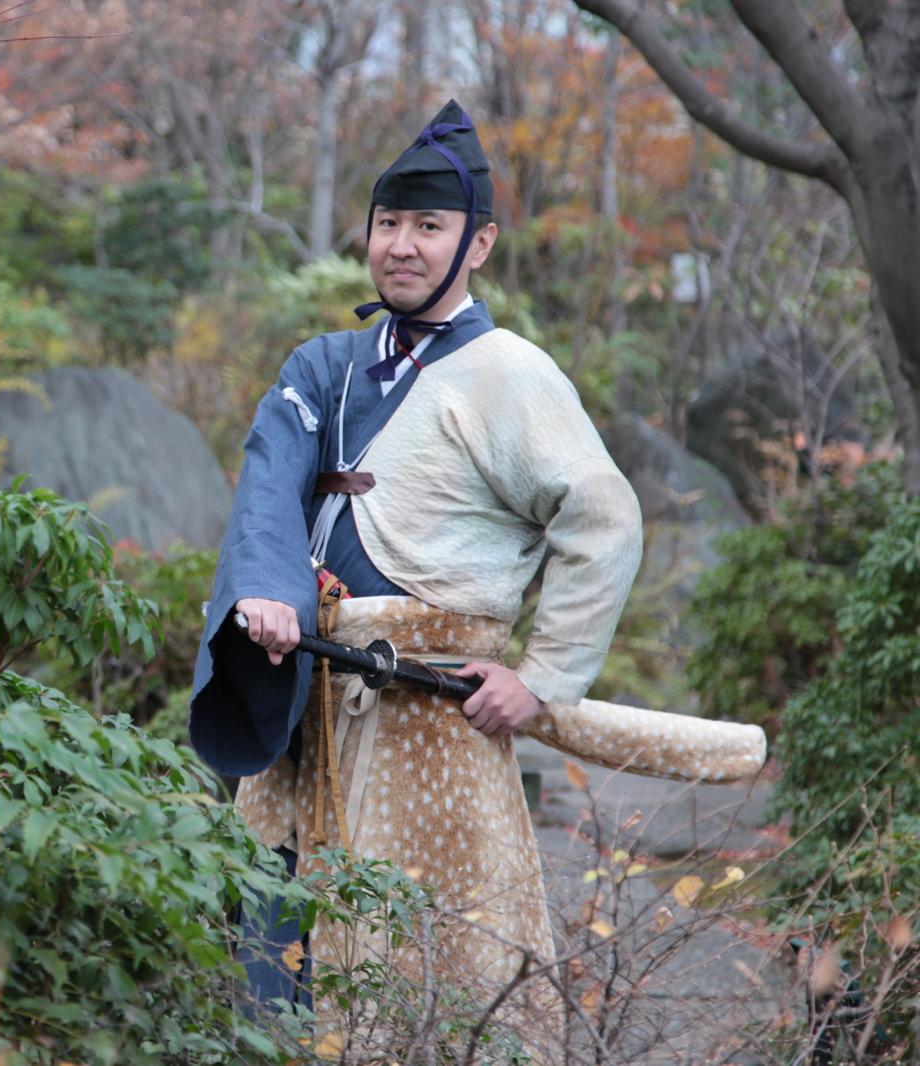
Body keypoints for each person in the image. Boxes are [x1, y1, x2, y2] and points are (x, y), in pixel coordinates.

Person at [189, 100, 644, 1052]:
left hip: (429, 721)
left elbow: (604, 519)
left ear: (478, 243)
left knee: (435, 961)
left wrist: (545, 678)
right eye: (388, 224)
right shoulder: (324, 366)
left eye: (427, 227)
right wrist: (264, 590)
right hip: (304, 693)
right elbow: (269, 484)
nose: (400, 246)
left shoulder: (513, 375)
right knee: (275, 960)